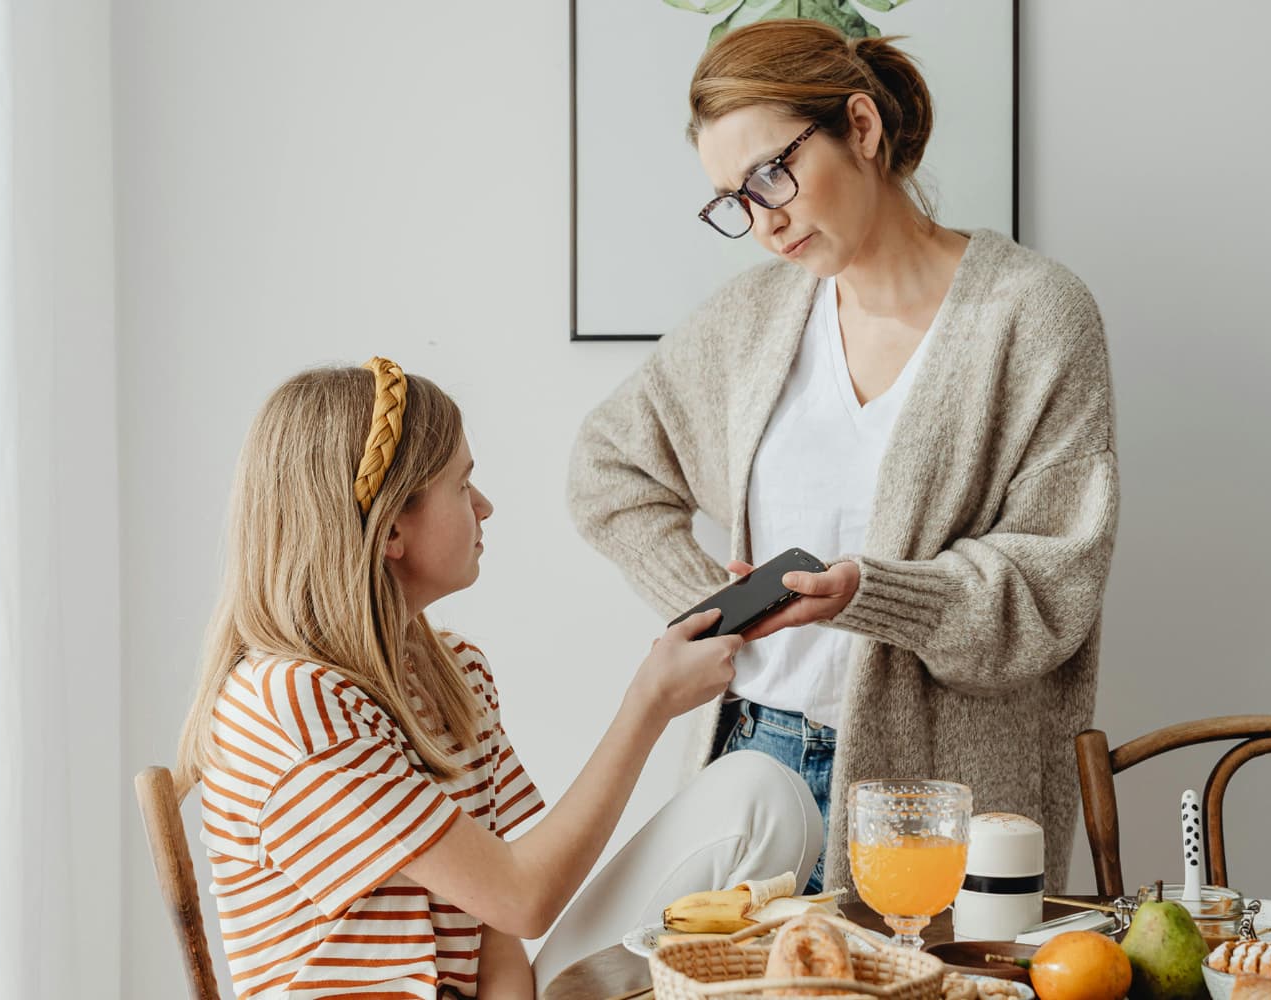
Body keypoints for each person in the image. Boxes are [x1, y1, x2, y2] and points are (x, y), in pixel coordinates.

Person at [567, 19, 1120, 895]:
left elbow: (1053, 592)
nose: (763, 218)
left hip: (939, 792)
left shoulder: (1033, 315)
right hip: (750, 762)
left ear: (860, 128)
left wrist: (874, 593)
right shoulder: (750, 320)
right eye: (734, 200)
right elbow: (608, 468)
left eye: (769, 174)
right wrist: (713, 606)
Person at [177, 359, 822, 997]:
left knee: (763, 795)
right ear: (393, 527)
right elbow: (522, 899)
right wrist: (647, 706)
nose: (485, 506)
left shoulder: (452, 671)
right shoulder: (291, 702)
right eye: (463, 486)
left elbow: (496, 937)